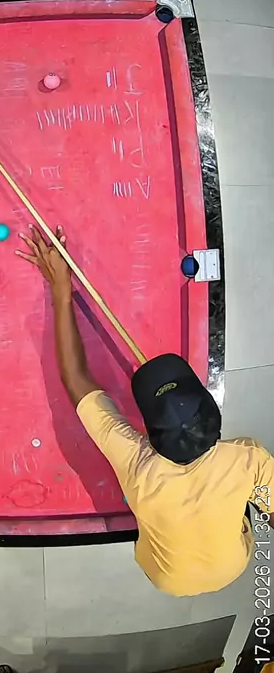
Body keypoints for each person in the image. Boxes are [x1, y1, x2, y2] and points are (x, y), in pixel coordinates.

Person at [16, 224, 274, 597]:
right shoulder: (247, 458)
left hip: (171, 581)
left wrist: (60, 289)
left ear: (148, 436)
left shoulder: (137, 466)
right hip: (234, 564)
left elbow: (76, 380)